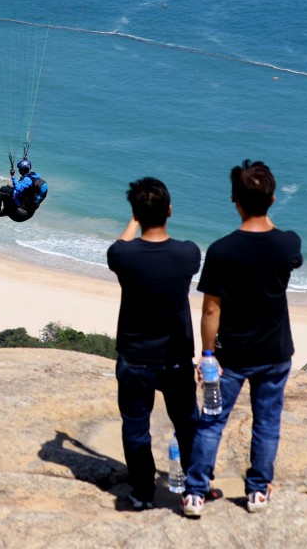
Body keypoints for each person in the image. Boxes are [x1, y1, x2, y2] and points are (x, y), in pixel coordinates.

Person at [182, 160, 303, 518]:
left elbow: (210, 311)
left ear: (234, 201)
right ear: (273, 200)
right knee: (266, 422)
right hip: (274, 353)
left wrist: (207, 354)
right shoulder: (287, 245)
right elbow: (280, 239)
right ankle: (257, 492)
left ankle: (195, 493)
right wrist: (265, 213)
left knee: (212, 421)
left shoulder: (221, 250)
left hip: (230, 354)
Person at [107, 177, 201, 511]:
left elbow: (120, 245)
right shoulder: (188, 253)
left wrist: (135, 219)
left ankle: (143, 493)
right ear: (170, 210)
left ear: (135, 213)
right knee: (187, 426)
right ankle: (195, 491)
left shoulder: (123, 255)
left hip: (134, 357)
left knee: (136, 428)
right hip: (175, 357)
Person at [0, 159, 48, 225]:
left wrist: (13, 175)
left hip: (20, 215)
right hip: (29, 212)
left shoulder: (27, 180)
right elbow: (22, 189)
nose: (19, 170)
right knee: (4, 189)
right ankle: (6, 210)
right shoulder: (33, 176)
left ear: (23, 170)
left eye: (20, 169)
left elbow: (18, 188)